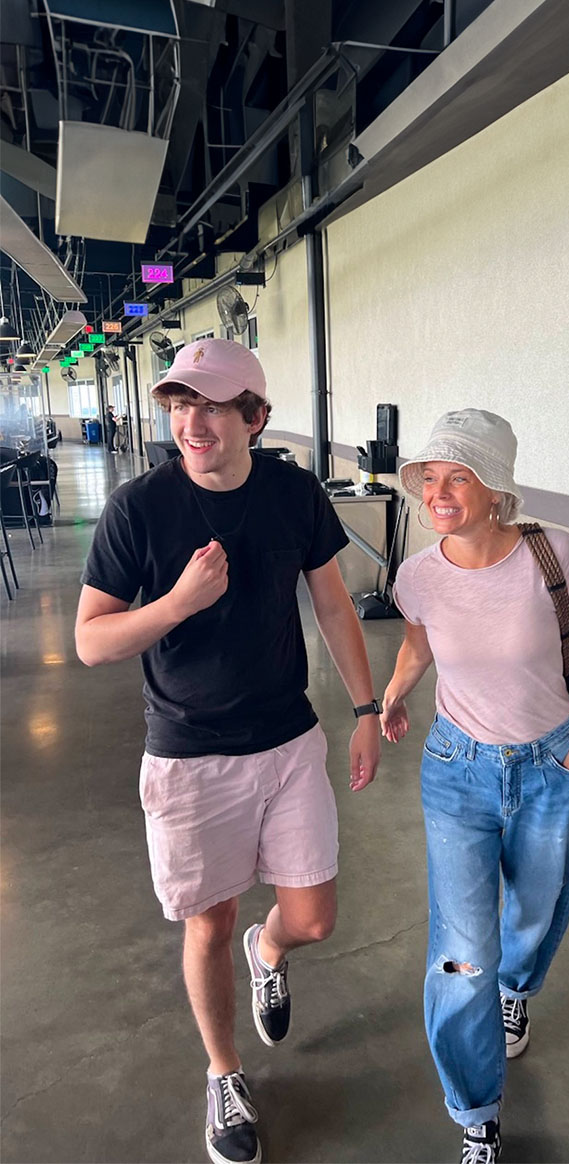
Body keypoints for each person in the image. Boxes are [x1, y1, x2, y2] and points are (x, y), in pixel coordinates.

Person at [75, 337, 381, 1164]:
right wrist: (174, 603)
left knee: (312, 917)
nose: (191, 422)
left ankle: (270, 948)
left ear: (255, 416)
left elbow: (332, 605)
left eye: (210, 405)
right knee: (208, 924)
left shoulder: (291, 492)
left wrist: (361, 706)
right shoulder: (139, 508)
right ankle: (223, 1072)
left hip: (287, 740)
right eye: (179, 404)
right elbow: (92, 642)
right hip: (189, 754)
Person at [380, 409, 569, 1164]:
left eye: (458, 476)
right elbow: (418, 639)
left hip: (551, 767)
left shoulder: (551, 554)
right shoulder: (416, 573)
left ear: (494, 489)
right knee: (459, 947)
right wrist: (394, 692)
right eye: (430, 477)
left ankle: (516, 992)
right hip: (457, 773)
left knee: (538, 911)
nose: (439, 492)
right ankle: (474, 1111)